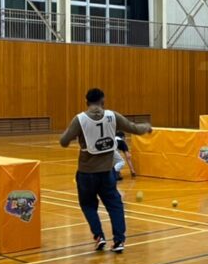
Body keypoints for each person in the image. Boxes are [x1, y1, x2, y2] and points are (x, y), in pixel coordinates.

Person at [59, 88, 152, 253]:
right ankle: (119, 240)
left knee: (88, 205)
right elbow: (134, 128)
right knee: (115, 205)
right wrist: (146, 127)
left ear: (86, 102)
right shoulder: (112, 116)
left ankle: (99, 236)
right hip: (107, 173)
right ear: (103, 101)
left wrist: (78, 136)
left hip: (87, 173)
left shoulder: (80, 119)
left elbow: (64, 141)